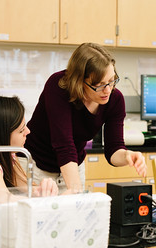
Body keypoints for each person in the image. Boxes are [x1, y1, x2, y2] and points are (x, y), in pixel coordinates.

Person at [24, 43, 147, 194]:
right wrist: (77, 192)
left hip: (73, 166)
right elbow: (64, 144)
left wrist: (127, 155)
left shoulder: (115, 99)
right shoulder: (58, 87)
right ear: (79, 81)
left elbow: (113, 150)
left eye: (111, 80)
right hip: (38, 164)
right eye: (99, 85)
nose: (107, 90)